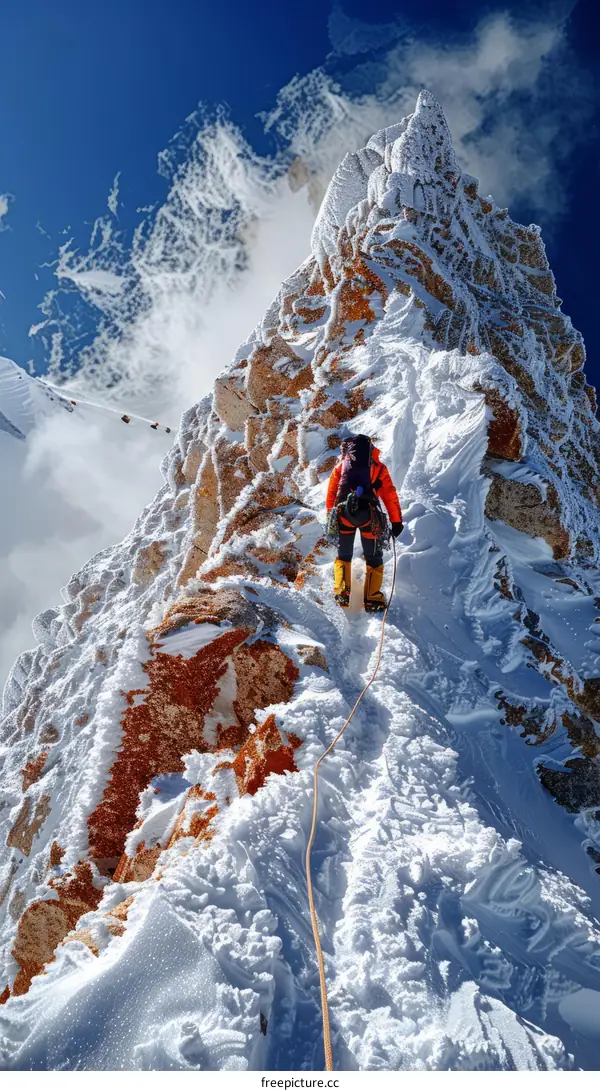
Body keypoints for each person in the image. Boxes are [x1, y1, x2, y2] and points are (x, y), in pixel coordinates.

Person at [326, 434, 403, 611]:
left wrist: (331, 518)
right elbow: (389, 495)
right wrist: (396, 521)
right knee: (374, 557)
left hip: (344, 514)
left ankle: (342, 593)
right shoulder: (378, 468)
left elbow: (332, 495)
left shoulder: (341, 467)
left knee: (344, 555)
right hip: (369, 516)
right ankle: (372, 599)